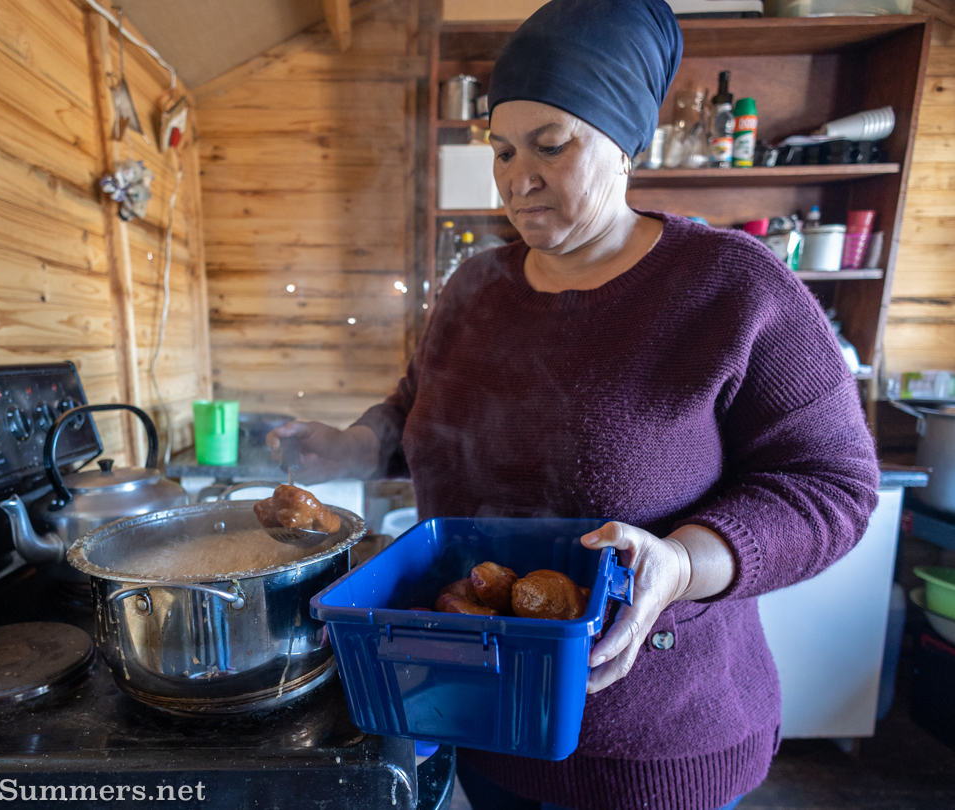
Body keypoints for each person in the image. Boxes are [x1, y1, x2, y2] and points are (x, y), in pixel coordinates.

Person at [266, 1, 880, 808]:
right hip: (482, 721)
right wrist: (353, 444)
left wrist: (682, 564)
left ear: (626, 145)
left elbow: (832, 486)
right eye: (502, 150)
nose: (517, 179)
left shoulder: (732, 286)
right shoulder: (476, 287)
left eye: (551, 145)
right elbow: (422, 407)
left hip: (651, 751)